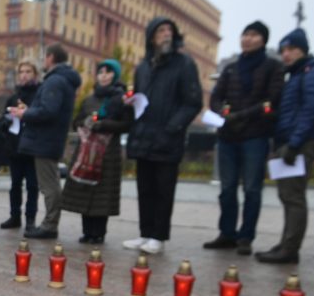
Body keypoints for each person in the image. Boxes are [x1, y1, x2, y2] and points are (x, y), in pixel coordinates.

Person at [123, 17, 203, 254]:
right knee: (144, 187)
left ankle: (158, 236)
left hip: (167, 138)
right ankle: (145, 233)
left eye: (169, 30)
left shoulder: (184, 64)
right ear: (151, 36)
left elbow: (192, 102)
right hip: (143, 136)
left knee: (163, 189)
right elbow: (139, 97)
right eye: (160, 31)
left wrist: (171, 128)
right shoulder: (144, 66)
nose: (166, 34)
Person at [255, 29, 314, 264]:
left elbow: (311, 110)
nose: (286, 54)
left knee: (293, 197)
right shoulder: (298, 74)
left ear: (303, 50)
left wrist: (294, 143)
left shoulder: (313, 72)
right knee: (287, 195)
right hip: (290, 141)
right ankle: (286, 244)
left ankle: (290, 249)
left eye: (291, 49)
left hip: (300, 142)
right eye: (283, 50)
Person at [202, 21, 283, 256]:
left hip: (255, 137)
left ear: (263, 40)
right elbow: (216, 97)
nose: (247, 39)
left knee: (252, 189)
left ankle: (246, 236)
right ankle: (227, 233)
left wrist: (239, 116)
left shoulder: (272, 67)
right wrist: (222, 113)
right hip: (228, 136)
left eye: (254, 35)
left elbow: (271, 100)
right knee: (227, 188)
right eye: (245, 34)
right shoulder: (230, 67)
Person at [59, 59, 134, 243]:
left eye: (108, 72)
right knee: (85, 191)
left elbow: (127, 124)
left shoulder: (121, 99)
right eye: (101, 72)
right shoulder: (89, 99)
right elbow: (76, 121)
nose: (104, 76)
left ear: (115, 76)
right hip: (86, 151)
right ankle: (87, 231)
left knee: (102, 194)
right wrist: (84, 123)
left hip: (108, 153)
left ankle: (99, 233)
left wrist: (102, 124)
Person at [10, 45, 79, 239]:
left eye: (44, 57)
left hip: (45, 140)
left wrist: (25, 113)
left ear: (50, 57)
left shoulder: (55, 80)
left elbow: (48, 111)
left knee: (49, 185)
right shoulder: (63, 79)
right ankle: (50, 223)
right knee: (51, 183)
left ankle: (49, 225)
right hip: (51, 139)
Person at [0, 62, 40, 230]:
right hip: (15, 146)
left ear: (34, 74)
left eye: (28, 71)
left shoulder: (38, 94)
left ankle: (30, 219)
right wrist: (7, 118)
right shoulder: (14, 96)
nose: (24, 75)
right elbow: (2, 120)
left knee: (32, 186)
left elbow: (41, 115)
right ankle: (15, 216)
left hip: (33, 147)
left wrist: (28, 112)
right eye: (21, 72)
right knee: (15, 185)